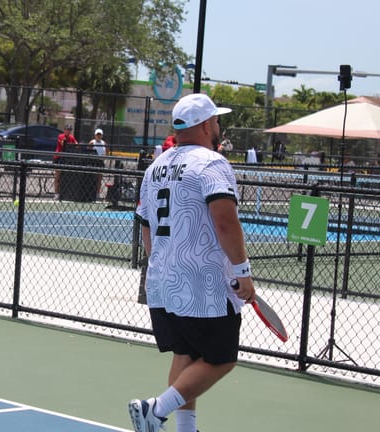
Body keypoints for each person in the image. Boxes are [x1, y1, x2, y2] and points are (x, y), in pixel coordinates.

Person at [130, 93, 254, 432]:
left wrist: (160, 265)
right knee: (221, 358)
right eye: (215, 120)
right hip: (204, 284)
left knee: (185, 354)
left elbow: (145, 228)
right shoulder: (212, 163)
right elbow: (225, 221)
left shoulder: (155, 166)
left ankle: (185, 429)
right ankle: (155, 409)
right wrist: (243, 271)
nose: (218, 126)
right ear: (203, 125)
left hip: (162, 282)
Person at [52, 124, 78, 200]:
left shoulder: (71, 137)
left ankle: (65, 194)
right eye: (67, 129)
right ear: (64, 130)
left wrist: (75, 144)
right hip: (59, 158)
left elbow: (77, 144)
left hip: (67, 159)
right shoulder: (61, 136)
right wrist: (72, 145)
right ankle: (56, 194)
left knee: (66, 177)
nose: (68, 131)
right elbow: (64, 144)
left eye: (70, 130)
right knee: (58, 177)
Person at [88, 128, 107, 199]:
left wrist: (104, 158)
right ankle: (90, 193)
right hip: (93, 162)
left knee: (99, 179)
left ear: (102, 135)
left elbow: (106, 153)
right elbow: (88, 151)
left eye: (100, 135)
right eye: (97, 134)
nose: (98, 136)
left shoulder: (104, 143)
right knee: (91, 178)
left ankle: (97, 194)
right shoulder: (92, 142)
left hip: (100, 162)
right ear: (95, 135)